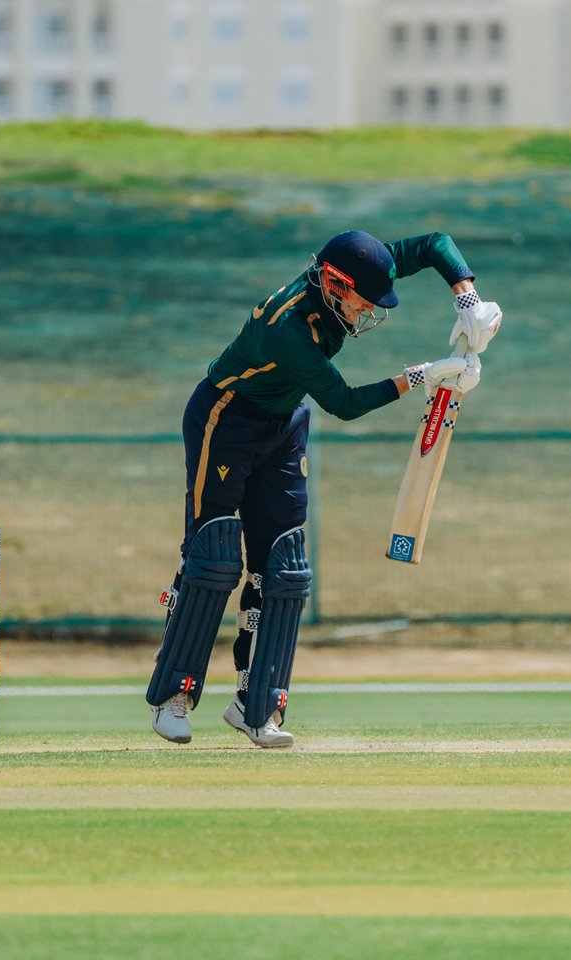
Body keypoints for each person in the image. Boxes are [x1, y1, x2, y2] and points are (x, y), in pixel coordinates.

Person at [145, 230, 502, 748]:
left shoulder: (362, 267)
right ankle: (173, 696)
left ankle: (256, 705)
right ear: (335, 283)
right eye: (363, 302)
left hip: (284, 423)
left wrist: (467, 297)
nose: (368, 311)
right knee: (214, 556)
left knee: (284, 568)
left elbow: (434, 245)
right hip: (225, 420)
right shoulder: (287, 328)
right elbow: (345, 402)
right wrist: (424, 375)